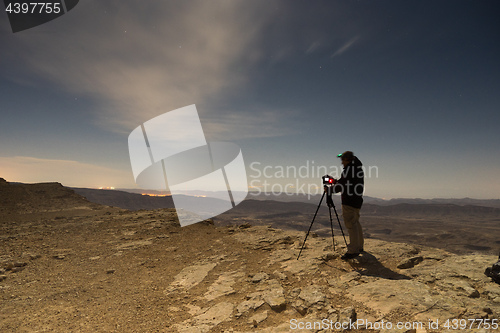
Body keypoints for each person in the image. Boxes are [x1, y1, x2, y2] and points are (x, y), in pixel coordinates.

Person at [332, 151, 365, 260]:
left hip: (349, 201)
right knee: (355, 222)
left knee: (351, 225)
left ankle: (353, 250)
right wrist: (336, 182)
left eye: (343, 160)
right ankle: (359, 246)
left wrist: (330, 189)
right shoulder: (357, 168)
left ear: (348, 160)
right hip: (357, 200)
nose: (342, 163)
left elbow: (342, 186)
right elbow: (347, 183)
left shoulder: (349, 170)